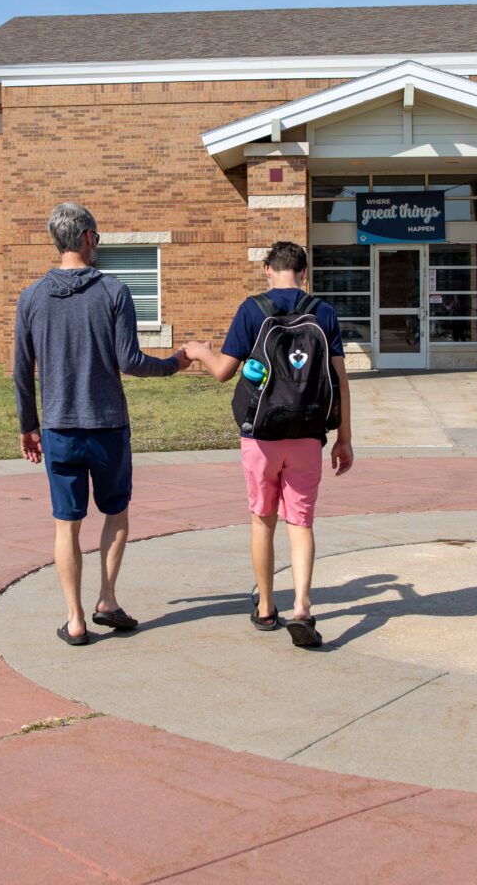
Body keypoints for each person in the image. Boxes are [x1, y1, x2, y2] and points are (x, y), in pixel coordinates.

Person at [14, 203, 190, 646]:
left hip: (58, 428)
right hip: (108, 426)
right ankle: (107, 600)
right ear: (89, 238)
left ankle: (74, 620)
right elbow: (129, 361)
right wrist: (175, 363)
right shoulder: (115, 292)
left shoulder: (31, 297)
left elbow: (21, 369)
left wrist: (28, 426)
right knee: (116, 513)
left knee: (65, 525)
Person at [185, 241, 353, 648]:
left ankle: (265, 608)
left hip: (260, 435)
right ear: (304, 273)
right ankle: (302, 607)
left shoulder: (252, 309)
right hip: (308, 436)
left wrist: (201, 353)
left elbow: (225, 372)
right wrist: (344, 438)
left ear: (267, 270)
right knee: (301, 522)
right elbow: (340, 382)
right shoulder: (323, 313)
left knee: (263, 519)